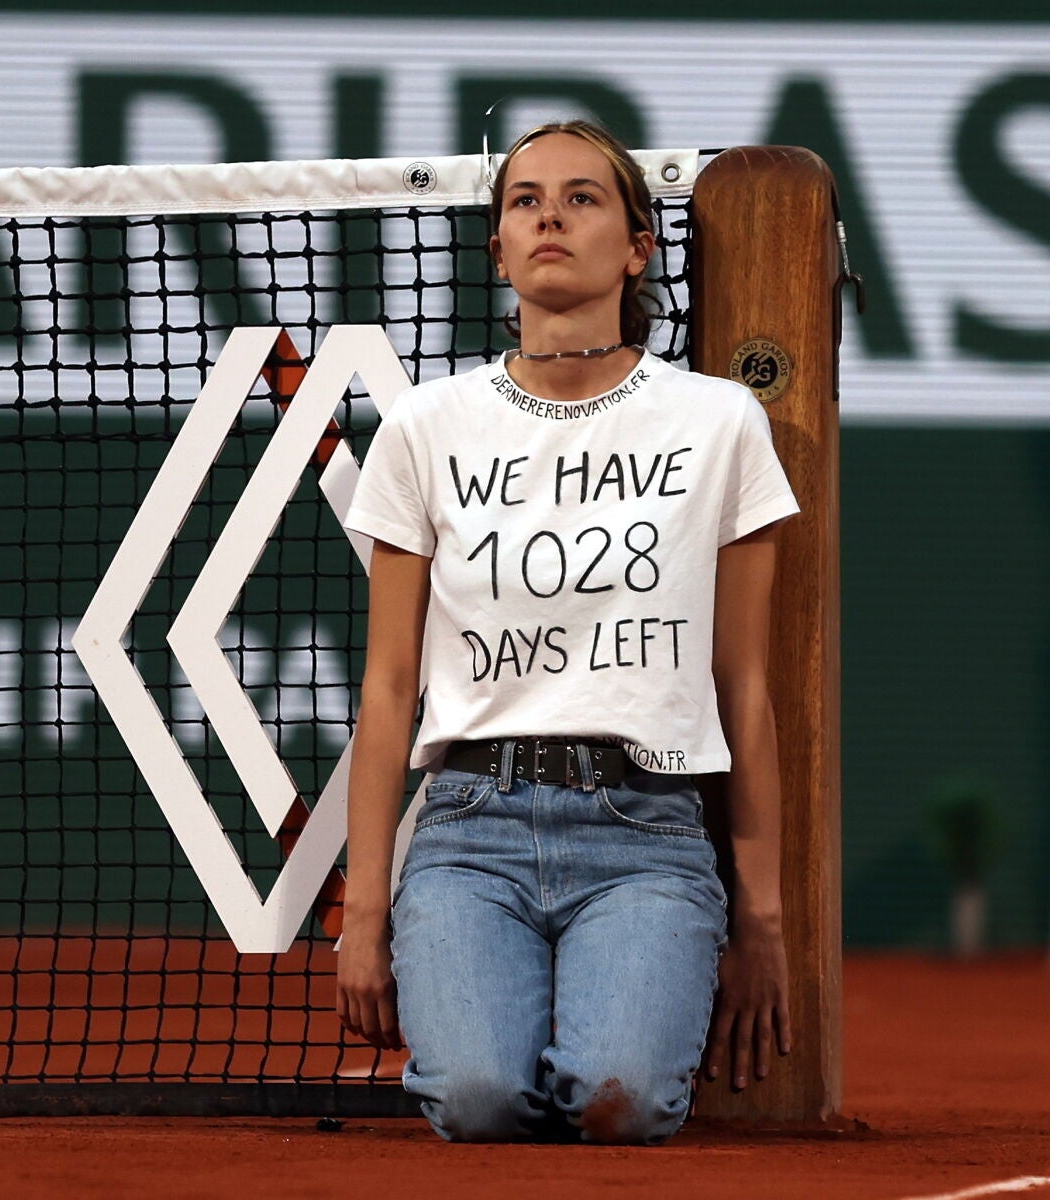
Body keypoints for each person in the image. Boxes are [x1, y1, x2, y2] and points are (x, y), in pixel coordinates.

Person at [337, 119, 798, 1144]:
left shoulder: (719, 423)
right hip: (467, 830)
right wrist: (365, 910)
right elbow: (387, 686)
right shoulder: (425, 427)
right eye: (525, 199)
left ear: (638, 246)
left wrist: (760, 919)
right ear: (498, 248)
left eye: (584, 197)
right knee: (477, 1101)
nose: (550, 214)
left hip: (648, 834)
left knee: (618, 1103)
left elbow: (744, 688)